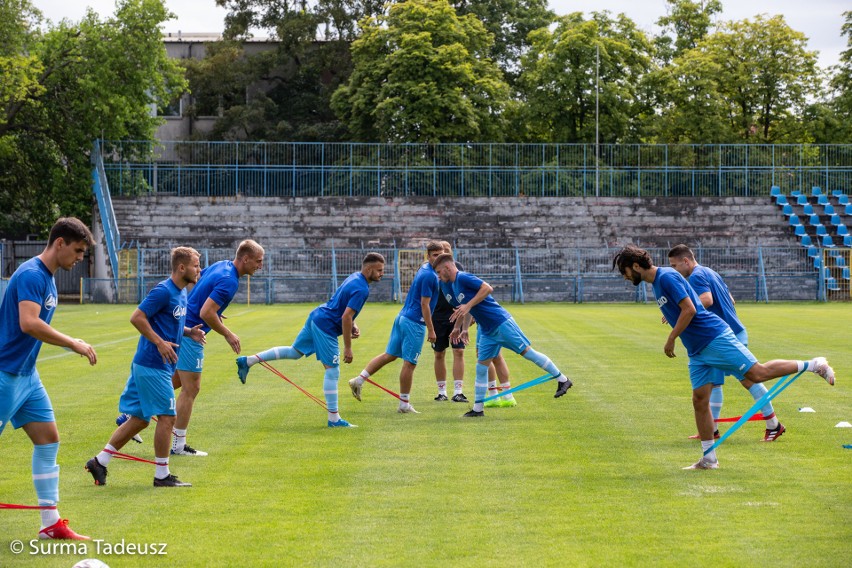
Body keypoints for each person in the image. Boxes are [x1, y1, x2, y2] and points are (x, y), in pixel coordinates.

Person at [612, 245, 835, 470]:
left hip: (714, 337)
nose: (624, 276)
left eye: (625, 271)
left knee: (757, 374)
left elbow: (690, 309)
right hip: (697, 350)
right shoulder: (658, 283)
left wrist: (671, 338)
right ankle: (709, 459)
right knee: (699, 400)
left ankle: (814, 364)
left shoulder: (667, 276)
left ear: (636, 266)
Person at [0, 218, 97, 540]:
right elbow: (29, 323)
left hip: (27, 377)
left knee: (48, 440)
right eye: (78, 250)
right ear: (60, 243)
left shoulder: (48, 277)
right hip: (4, 375)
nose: (80, 258)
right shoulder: (31, 274)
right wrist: (72, 342)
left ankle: (50, 523)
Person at [85, 247, 204, 488]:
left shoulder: (181, 292)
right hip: (152, 364)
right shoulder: (163, 291)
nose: (199, 270)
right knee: (168, 417)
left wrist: (189, 332)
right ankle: (162, 475)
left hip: (155, 365)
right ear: (182, 268)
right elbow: (137, 317)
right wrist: (159, 343)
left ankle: (100, 461)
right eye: (196, 265)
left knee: (139, 419)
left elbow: (169, 323)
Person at [236, 253, 386, 427]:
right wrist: (348, 347)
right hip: (326, 326)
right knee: (332, 370)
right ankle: (334, 419)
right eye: (379, 270)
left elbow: (342, 307)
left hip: (317, 316)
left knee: (294, 352)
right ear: (369, 269)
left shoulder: (354, 277)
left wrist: (353, 324)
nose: (382, 273)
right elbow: (346, 316)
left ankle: (248, 361)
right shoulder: (362, 289)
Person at [432, 254, 573, 418]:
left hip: (501, 322)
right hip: (486, 329)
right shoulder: (452, 285)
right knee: (481, 366)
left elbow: (487, 288)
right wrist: (459, 328)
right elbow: (464, 309)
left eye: (439, 271)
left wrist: (467, 306)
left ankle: (563, 380)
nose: (438, 275)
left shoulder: (463, 278)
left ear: (448, 268)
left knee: (528, 353)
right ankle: (478, 409)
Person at [668, 244, 784, 442]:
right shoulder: (711, 272)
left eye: (675, 265)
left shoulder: (696, 276)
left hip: (726, 335)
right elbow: (731, 299)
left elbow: (707, 299)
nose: (675, 270)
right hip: (719, 335)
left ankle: (774, 425)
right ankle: (711, 429)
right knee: (713, 383)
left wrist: (681, 311)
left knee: (749, 379)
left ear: (686, 261)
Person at [169, 239, 264, 456]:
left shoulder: (223, 265)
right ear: (245, 258)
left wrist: (215, 312)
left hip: (182, 326)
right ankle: (179, 445)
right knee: (191, 388)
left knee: (175, 381)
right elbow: (205, 313)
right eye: (258, 261)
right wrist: (227, 333)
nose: (260, 266)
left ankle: (132, 412)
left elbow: (200, 283)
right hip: (193, 332)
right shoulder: (230, 281)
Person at [348, 242, 443, 413]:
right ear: (428, 256)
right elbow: (424, 304)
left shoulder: (425, 269)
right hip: (415, 322)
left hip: (402, 317)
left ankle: (359, 380)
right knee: (410, 364)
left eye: (441, 254)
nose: (439, 258)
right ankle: (404, 404)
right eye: (435, 255)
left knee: (389, 355)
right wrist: (431, 329)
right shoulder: (430, 276)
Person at [431, 242, 515, 407]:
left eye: (444, 252)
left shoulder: (459, 275)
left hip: (485, 320)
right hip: (476, 320)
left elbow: (471, 299)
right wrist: (460, 326)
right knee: (488, 356)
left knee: (493, 356)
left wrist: (463, 325)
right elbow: (465, 302)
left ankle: (505, 395)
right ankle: (496, 395)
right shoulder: (441, 278)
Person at [430, 242, 468, 402]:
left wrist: (467, 317)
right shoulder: (429, 271)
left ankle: (458, 391)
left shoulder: (457, 269)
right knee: (439, 353)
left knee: (459, 351)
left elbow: (466, 295)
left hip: (456, 314)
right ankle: (442, 392)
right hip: (437, 316)